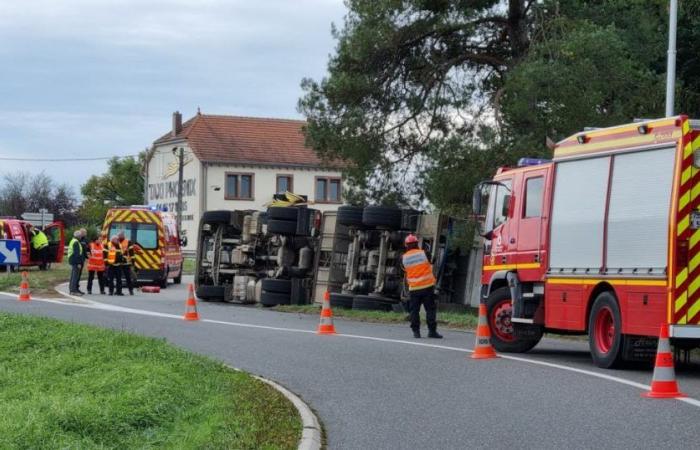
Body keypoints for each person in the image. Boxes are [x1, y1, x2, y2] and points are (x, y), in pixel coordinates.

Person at [402, 234, 442, 339]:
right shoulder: (425, 253)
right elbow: (432, 261)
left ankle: (416, 332)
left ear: (406, 245)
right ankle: (432, 331)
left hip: (414, 289)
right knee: (430, 309)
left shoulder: (403, 258)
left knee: (414, 310)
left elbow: (403, 269)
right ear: (417, 243)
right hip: (427, 287)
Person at [117, 231, 139, 295]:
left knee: (128, 278)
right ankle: (119, 291)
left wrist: (133, 263)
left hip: (126, 263)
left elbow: (132, 253)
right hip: (118, 263)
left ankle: (130, 290)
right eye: (118, 236)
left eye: (120, 236)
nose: (119, 237)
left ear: (123, 236)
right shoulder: (117, 242)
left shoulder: (128, 242)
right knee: (118, 278)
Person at [68, 230, 85, 295]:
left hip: (72, 260)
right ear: (78, 236)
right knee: (75, 276)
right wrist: (78, 263)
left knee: (73, 276)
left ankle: (72, 289)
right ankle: (73, 291)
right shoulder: (76, 242)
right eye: (80, 236)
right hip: (75, 261)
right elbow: (77, 254)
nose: (81, 237)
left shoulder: (73, 241)